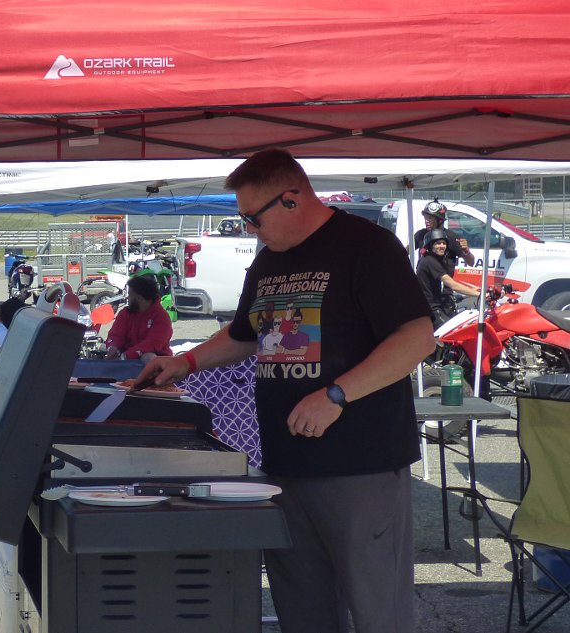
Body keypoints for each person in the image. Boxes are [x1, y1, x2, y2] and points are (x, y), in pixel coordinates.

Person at [137, 148, 434, 633]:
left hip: (361, 466)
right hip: (285, 464)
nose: (250, 230)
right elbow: (244, 335)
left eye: (253, 218)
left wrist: (336, 395)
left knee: (378, 610)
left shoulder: (367, 247)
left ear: (292, 200)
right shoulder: (268, 262)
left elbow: (416, 338)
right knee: (303, 608)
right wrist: (183, 363)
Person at [417, 229, 481, 328]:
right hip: (432, 309)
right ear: (430, 245)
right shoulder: (429, 261)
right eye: (438, 243)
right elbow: (452, 284)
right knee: (452, 333)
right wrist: (480, 295)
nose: (442, 246)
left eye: (444, 243)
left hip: (437, 306)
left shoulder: (435, 259)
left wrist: (471, 291)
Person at [104, 274, 173, 363]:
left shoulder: (162, 317)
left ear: (139, 298)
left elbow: (152, 344)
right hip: (125, 361)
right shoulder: (125, 313)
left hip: (156, 362)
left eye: (130, 295)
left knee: (149, 357)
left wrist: (126, 356)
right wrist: (112, 347)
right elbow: (116, 334)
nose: (127, 298)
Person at [413, 198, 475, 268]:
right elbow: (404, 252)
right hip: (422, 278)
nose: (426, 221)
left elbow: (471, 263)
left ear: (440, 220)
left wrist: (466, 251)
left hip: (443, 278)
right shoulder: (421, 234)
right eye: (425, 217)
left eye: (430, 218)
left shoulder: (453, 237)